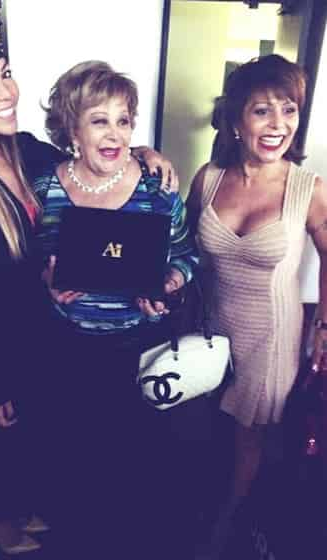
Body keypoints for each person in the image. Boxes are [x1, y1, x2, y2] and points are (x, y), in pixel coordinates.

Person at [0, 2, 177, 556]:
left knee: (39, 449)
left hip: (40, 339)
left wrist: (146, 151)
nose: (5, 93)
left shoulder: (29, 153)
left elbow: (90, 161)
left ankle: (17, 508)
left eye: (5, 74)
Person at [32, 60, 198, 558]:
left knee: (133, 476)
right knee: (71, 469)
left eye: (124, 120)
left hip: (136, 351)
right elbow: (29, 261)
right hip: (65, 352)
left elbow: (189, 256)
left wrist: (172, 279)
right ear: (72, 129)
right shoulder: (45, 189)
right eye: (99, 119)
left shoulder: (158, 188)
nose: (116, 133)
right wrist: (46, 285)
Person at [187, 54, 327, 558]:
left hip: (272, 335)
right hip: (210, 328)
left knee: (252, 437)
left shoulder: (308, 190)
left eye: (288, 111)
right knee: (211, 429)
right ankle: (212, 505)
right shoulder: (208, 177)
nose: (278, 126)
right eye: (262, 111)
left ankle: (224, 530)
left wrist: (325, 325)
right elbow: (180, 250)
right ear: (235, 120)